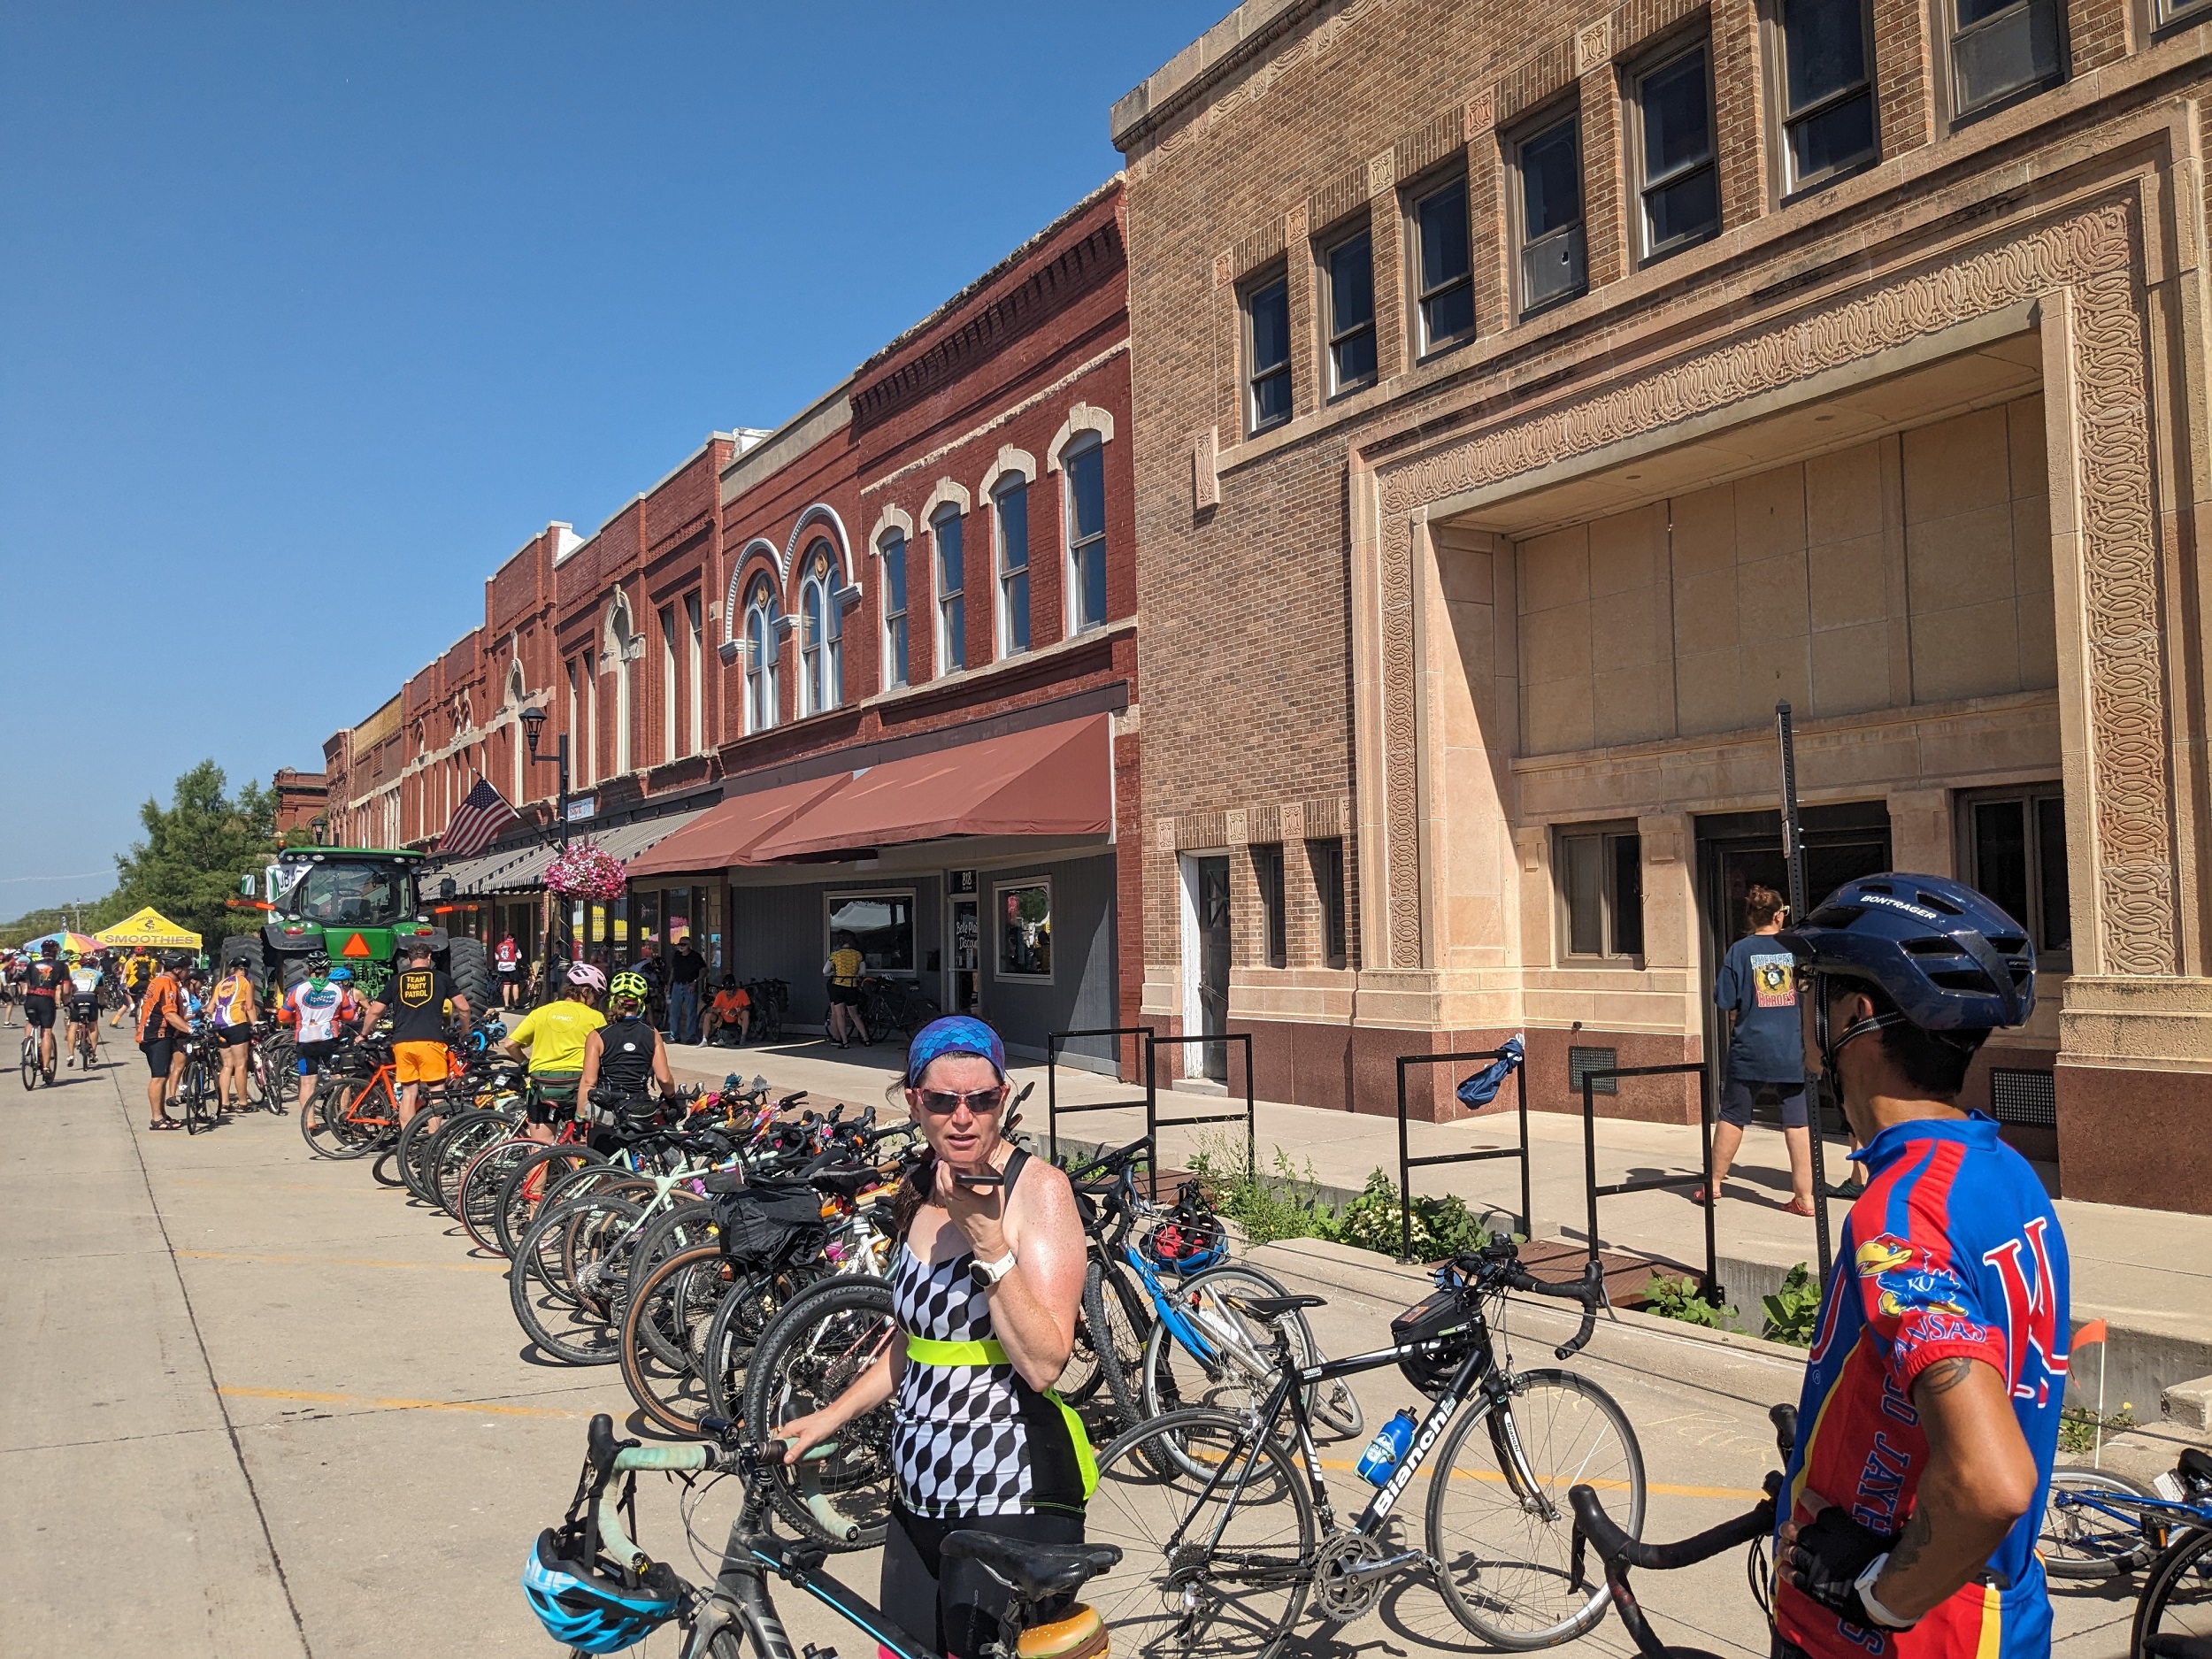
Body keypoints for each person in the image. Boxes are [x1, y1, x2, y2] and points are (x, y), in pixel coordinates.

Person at [1770, 873, 2061, 1659]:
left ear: (1856, 1017)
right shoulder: (2003, 1172)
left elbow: (1991, 1479)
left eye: (1819, 999)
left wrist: (1874, 1593)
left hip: (1904, 1634)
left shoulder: (1901, 1214)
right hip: (2001, 1612)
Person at [774, 1016, 1091, 1659]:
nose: (964, 1116)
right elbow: (918, 1340)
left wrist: (990, 1244)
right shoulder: (922, 1187)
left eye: (982, 1098)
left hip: (1009, 1489)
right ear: (915, 1101)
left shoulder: (1041, 1191)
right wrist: (829, 1416)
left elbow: (1045, 1361)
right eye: (944, 1100)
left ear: (1004, 1096)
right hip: (919, 1488)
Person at [1700, 885, 1816, 1215]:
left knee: (1733, 1115)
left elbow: (1725, 999)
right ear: (1779, 916)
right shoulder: (1796, 950)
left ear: (1752, 916)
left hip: (1750, 1045)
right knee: (1796, 1120)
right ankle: (1805, 1198)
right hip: (1791, 1046)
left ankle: (1714, 1184)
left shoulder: (1739, 951)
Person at [357, 938, 469, 1129]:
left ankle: (407, 1138)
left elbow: (375, 1011)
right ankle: (434, 1137)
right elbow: (464, 1008)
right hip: (430, 1041)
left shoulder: (396, 981)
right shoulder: (441, 978)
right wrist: (465, 1031)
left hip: (402, 1043)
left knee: (409, 1091)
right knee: (436, 1090)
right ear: (429, 957)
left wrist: (364, 1034)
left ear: (409, 960)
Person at [499, 961, 605, 1144]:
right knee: (577, 1146)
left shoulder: (541, 1012)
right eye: (595, 994)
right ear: (586, 991)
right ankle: (575, 1171)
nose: (595, 1001)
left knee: (540, 1148)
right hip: (576, 1087)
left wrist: (525, 1064)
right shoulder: (595, 1017)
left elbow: (510, 1045)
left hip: (542, 1086)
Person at [579, 970, 674, 1131]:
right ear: (641, 1005)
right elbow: (664, 1079)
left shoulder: (597, 1036)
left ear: (612, 1002)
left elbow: (588, 1082)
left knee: (601, 1154)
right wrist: (672, 1098)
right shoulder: (652, 1034)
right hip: (639, 1108)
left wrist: (580, 1116)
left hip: (607, 1110)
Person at [280, 956, 363, 1115]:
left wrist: (298, 1018)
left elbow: (283, 1016)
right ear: (327, 971)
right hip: (329, 1039)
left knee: (307, 1082)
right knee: (341, 1078)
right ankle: (344, 1115)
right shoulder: (338, 990)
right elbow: (349, 1016)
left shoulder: (298, 990)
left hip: (305, 1040)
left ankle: (309, 1121)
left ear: (309, 970)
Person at [136, 952, 193, 1129]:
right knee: (158, 1077)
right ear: (177, 969)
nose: (188, 973)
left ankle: (162, 1114)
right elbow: (169, 1014)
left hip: (158, 1034)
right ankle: (156, 1118)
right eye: (186, 969)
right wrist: (190, 1029)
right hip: (156, 1034)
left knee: (163, 1074)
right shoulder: (166, 983)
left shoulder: (163, 981)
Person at [207, 956, 259, 1110]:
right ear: (245, 970)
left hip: (220, 1026)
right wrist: (256, 1025)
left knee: (227, 1065)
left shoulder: (221, 984)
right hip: (237, 1024)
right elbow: (250, 1006)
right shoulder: (247, 981)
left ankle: (224, 1102)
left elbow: (211, 1006)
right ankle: (243, 1102)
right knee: (241, 1065)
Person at [20, 940, 71, 1074]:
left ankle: (27, 1043)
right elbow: (66, 991)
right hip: (46, 1000)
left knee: (31, 1020)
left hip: (31, 998)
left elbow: (26, 984)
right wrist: (67, 1004)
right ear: (56, 952)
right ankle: (46, 1067)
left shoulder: (32, 964)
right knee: (46, 1031)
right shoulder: (61, 966)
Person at [824, 933, 869, 1048]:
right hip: (852, 986)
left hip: (838, 986)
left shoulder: (835, 955)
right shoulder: (858, 955)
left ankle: (845, 1042)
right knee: (855, 1015)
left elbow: (825, 971)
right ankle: (866, 1039)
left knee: (840, 1015)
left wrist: (835, 972)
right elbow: (862, 972)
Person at [65, 952, 104, 1067]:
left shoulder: (73, 973)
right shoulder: (98, 974)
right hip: (91, 997)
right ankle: (93, 1052)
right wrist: (102, 1004)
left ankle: (71, 1054)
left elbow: (70, 990)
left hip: (77, 998)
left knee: (73, 1025)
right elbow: (101, 992)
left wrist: (68, 1002)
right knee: (93, 1025)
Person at [664, 934, 704, 1046]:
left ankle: (690, 1036)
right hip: (677, 985)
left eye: (683, 944)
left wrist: (695, 982)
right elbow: (673, 970)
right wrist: (669, 984)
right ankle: (674, 1035)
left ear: (689, 945)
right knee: (674, 1011)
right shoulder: (677, 955)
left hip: (689, 985)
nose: (681, 947)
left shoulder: (695, 956)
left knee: (691, 1011)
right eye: (679, 944)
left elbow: (704, 970)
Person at [703, 976, 750, 1046]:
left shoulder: (741, 993)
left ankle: (743, 1038)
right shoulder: (720, 995)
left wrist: (737, 1009)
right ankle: (705, 1039)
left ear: (734, 988)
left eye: (731, 989)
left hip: (737, 1019)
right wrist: (716, 1010)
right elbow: (711, 1009)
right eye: (726, 989)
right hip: (723, 1020)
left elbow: (749, 1006)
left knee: (746, 1013)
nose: (729, 991)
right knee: (708, 1016)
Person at [495, 933, 522, 1009]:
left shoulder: (499, 945)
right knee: (515, 984)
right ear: (513, 938)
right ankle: (516, 1004)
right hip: (511, 967)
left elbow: (497, 957)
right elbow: (519, 956)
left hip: (502, 967)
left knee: (506, 985)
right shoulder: (514, 945)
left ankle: (506, 1005)